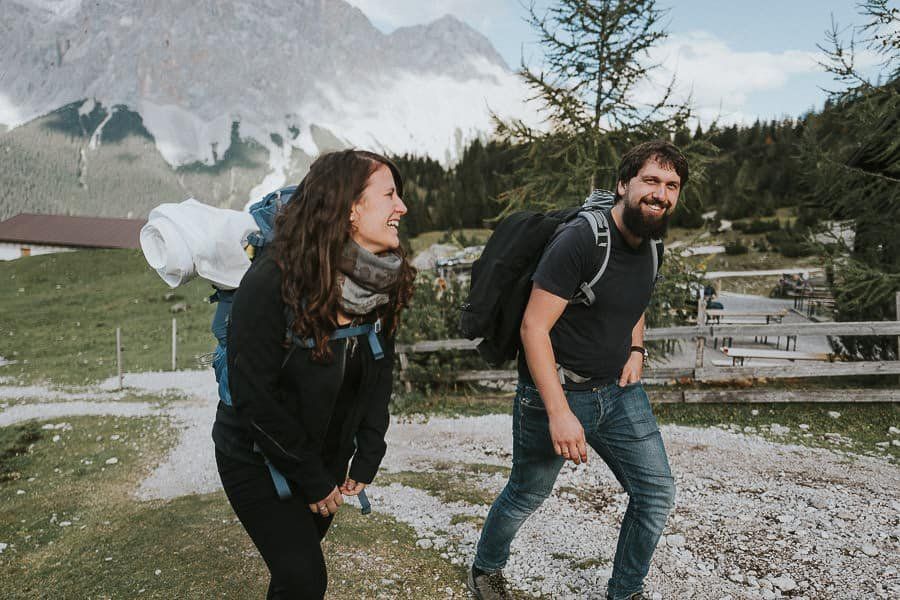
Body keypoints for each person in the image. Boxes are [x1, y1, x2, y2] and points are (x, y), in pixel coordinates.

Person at [468, 140, 688, 600]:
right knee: (528, 493)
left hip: (620, 393)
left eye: (671, 186)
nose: (660, 194)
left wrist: (636, 348)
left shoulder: (652, 243)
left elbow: (635, 300)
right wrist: (559, 412)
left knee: (655, 493)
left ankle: (625, 592)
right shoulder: (582, 240)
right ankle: (486, 569)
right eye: (651, 181)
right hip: (557, 392)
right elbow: (533, 328)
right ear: (624, 185)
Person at [212, 149, 415, 599]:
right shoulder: (271, 281)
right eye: (388, 195)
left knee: (295, 573)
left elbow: (378, 373)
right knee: (304, 579)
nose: (401, 207)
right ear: (349, 207)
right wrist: (311, 477)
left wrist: (368, 451)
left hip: (327, 454)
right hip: (256, 457)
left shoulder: (381, 280)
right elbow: (254, 397)